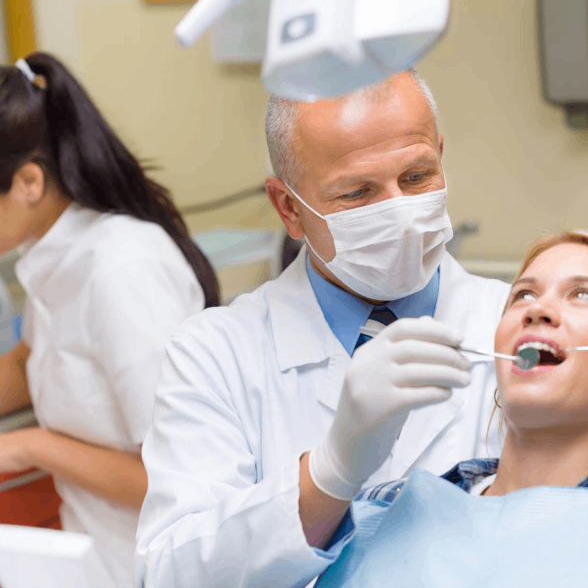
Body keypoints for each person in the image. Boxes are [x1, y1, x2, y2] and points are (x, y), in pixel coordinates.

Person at [136, 70, 510, 588]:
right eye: (357, 193)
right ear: (289, 207)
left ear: (440, 155)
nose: (399, 212)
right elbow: (171, 574)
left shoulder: (513, 328)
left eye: (417, 176)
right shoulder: (215, 353)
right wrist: (329, 472)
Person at [0, 54, 219, 587]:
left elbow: (180, 476)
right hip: (89, 556)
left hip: (151, 570)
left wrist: (31, 446)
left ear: (29, 181)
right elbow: (33, 358)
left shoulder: (123, 270)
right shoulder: (57, 253)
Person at [312, 230, 588, 588]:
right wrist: (337, 458)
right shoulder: (383, 509)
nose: (537, 309)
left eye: (583, 294)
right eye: (523, 294)